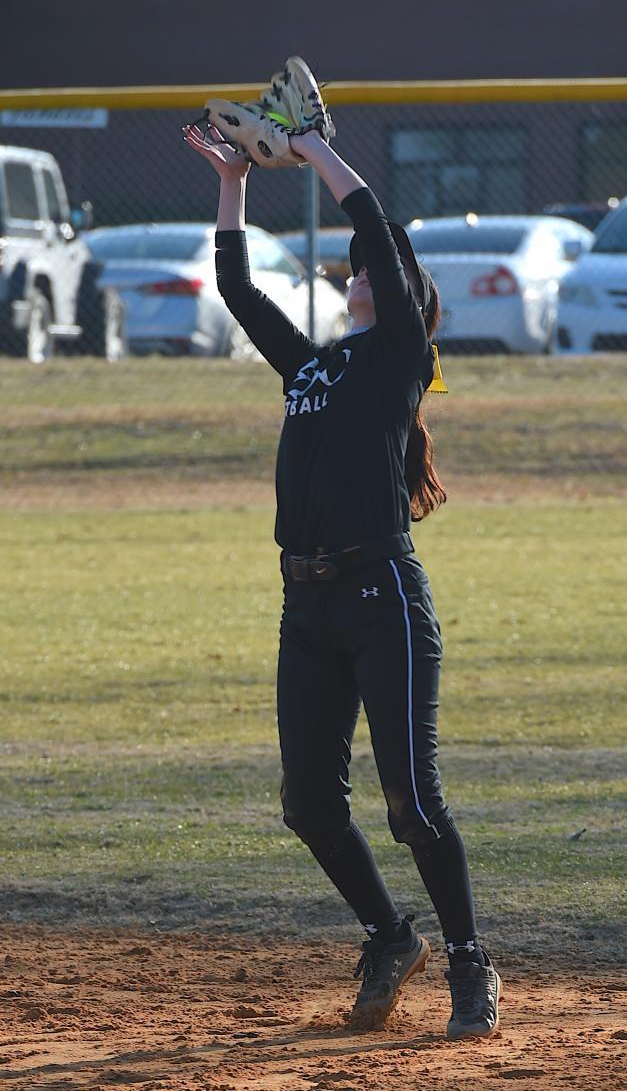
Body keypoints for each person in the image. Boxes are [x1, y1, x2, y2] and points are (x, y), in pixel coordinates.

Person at [183, 117, 502, 1041]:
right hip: (305, 602)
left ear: (405, 296)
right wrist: (235, 179)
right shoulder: (316, 366)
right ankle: (388, 936)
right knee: (309, 802)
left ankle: (471, 965)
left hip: (382, 600)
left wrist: (315, 146)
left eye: (371, 268)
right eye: (358, 269)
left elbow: (370, 225)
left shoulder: (404, 353)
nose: (356, 273)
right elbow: (239, 289)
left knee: (411, 800)